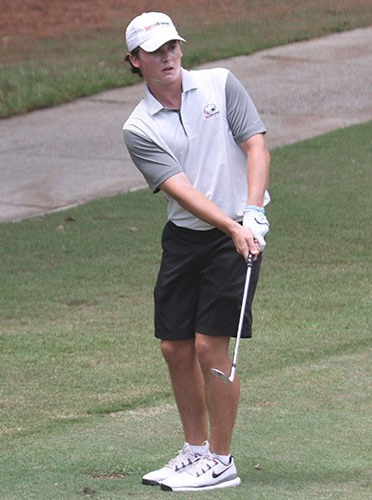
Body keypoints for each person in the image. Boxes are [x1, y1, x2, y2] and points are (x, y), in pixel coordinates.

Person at [121, 11, 271, 492]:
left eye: (172, 47)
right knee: (174, 346)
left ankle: (222, 461)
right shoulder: (139, 127)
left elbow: (256, 145)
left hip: (239, 233)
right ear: (134, 62)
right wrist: (229, 222)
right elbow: (180, 189)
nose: (167, 58)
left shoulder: (220, 84)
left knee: (209, 346)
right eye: (154, 52)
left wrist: (251, 212)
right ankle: (196, 450)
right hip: (190, 237)